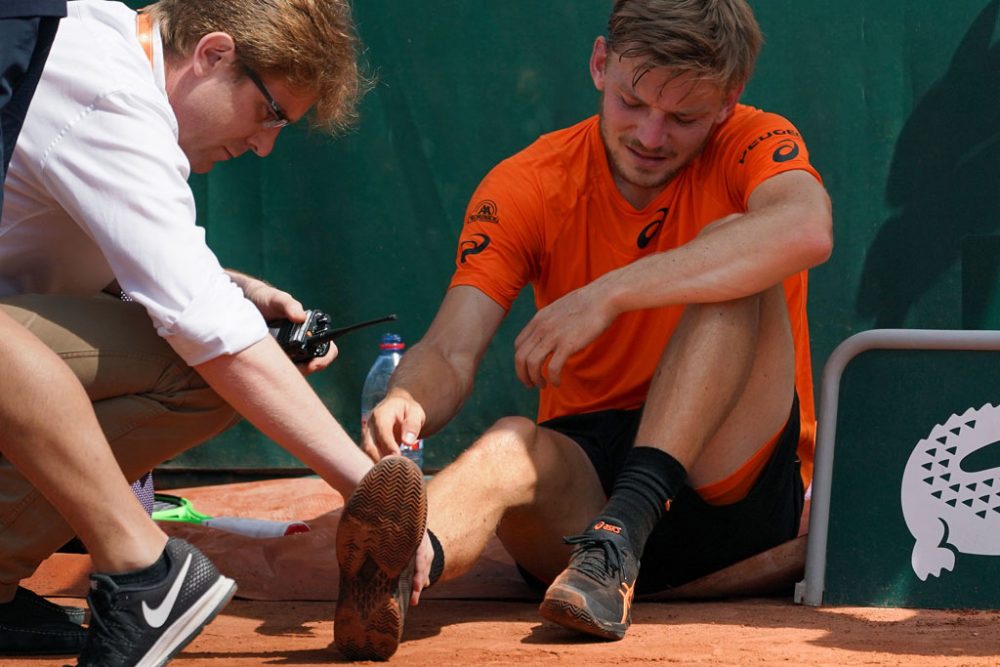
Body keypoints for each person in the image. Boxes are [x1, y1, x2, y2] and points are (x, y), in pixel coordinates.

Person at [350, 0, 833, 655]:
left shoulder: (754, 139)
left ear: (727, 102)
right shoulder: (527, 182)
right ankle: (396, 570)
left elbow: (805, 228)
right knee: (506, 445)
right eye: (633, 103)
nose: (651, 135)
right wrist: (407, 398)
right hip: (582, 502)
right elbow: (450, 348)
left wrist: (609, 294)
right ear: (601, 64)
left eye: (683, 117)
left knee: (739, 252)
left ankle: (623, 531)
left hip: (728, 488)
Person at [0, 0, 428, 664]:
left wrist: (232, 285)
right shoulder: (107, 91)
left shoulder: (99, 54)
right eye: (270, 114)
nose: (264, 144)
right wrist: (368, 490)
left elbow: (71, 245)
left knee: (206, 362)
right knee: (207, 357)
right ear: (213, 55)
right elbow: (206, 327)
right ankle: (147, 571)